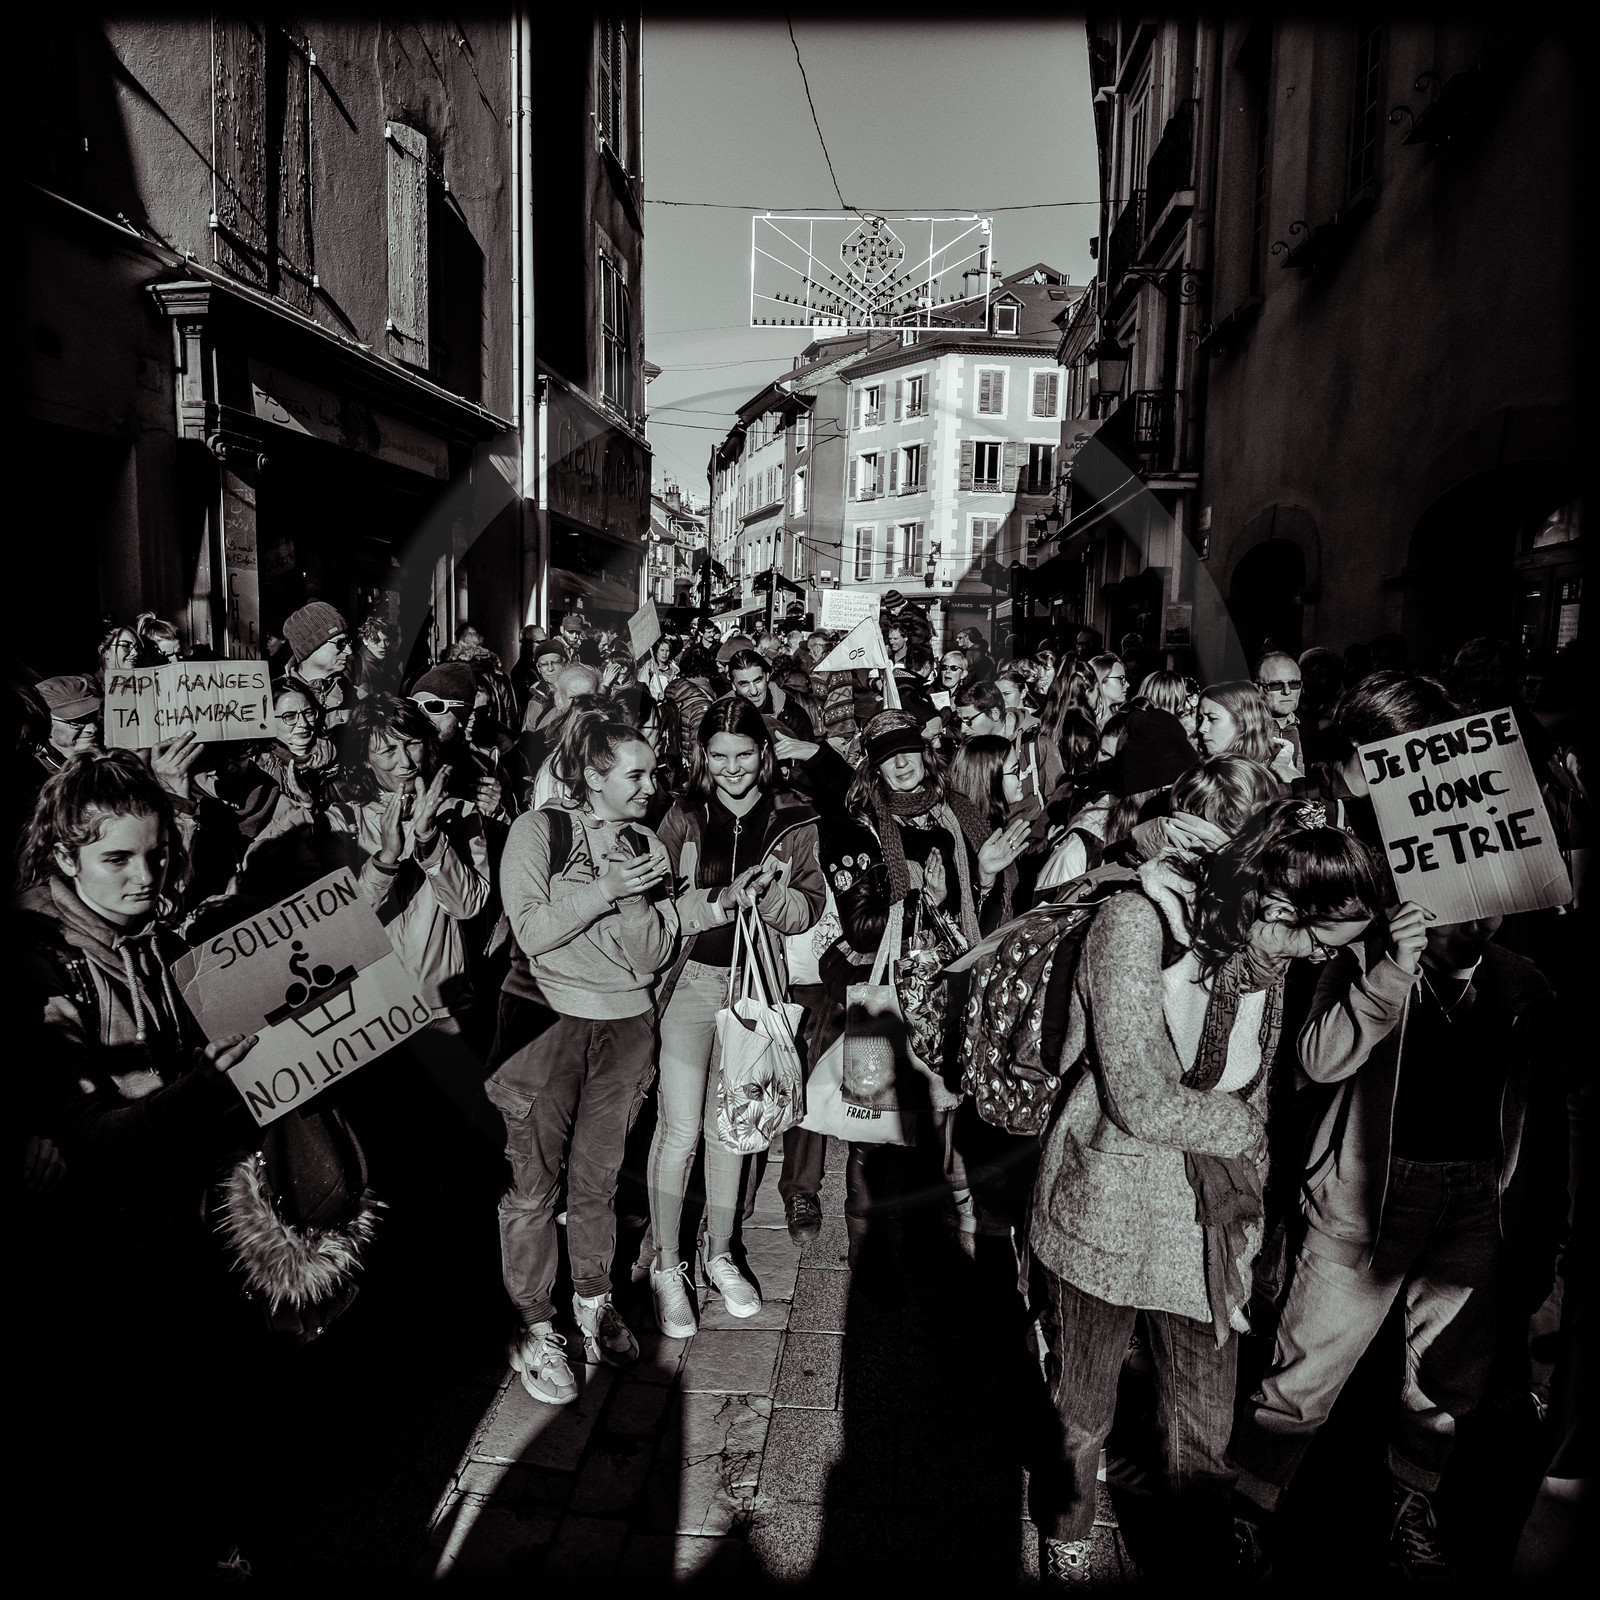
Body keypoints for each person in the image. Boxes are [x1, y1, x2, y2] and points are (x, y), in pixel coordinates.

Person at [1030, 799, 1387, 1585]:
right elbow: (1139, 1095)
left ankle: (1193, 1567)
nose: (1304, 961)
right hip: (1105, 1203)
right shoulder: (1135, 924)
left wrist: (1247, 1208)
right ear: (1276, 899)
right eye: (1309, 938)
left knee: (1203, 1433)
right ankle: (1067, 1532)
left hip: (1205, 1224)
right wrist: (1244, 1137)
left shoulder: (1265, 951)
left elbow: (1254, 1089)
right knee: (1082, 1407)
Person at [1230, 908, 1564, 1582]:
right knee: (1303, 1376)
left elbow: (1547, 1123)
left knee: (1443, 1385)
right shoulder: (1364, 962)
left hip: (1475, 1206)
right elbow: (1318, 1061)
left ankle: (1411, 1506)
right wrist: (1390, 969)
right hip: (1362, 1201)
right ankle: (1246, 1515)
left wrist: (1537, 1237)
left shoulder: (1524, 986)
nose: (1476, 914)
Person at [14, 751, 261, 1574]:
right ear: (63, 856)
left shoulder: (143, 937)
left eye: (154, 855)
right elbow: (87, 1137)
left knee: (189, 1427)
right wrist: (207, 1091)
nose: (144, 876)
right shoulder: (40, 964)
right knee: (113, 1459)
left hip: (175, 1234)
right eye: (116, 859)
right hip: (99, 1264)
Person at [488, 718, 677, 1404]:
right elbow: (532, 928)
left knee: (596, 1181)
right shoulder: (538, 832)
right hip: (545, 1027)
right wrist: (603, 889)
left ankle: (593, 1300)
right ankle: (536, 1325)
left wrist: (633, 895)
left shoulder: (646, 844)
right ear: (594, 775)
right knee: (534, 1187)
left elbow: (651, 956)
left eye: (653, 774)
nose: (652, 788)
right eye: (637, 775)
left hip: (625, 1027)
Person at [819, 710, 1031, 1278]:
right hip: (882, 994)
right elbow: (860, 928)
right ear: (873, 766)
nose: (903, 762)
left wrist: (984, 878)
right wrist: (912, 894)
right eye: (888, 755)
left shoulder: (959, 815)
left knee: (940, 1124)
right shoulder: (857, 828)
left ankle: (923, 1242)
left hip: (950, 994)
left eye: (909, 749)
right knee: (874, 1134)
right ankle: (870, 1260)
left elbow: (983, 926)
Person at [644, 698, 825, 1335]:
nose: (731, 769)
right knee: (681, 1129)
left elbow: (807, 908)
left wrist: (774, 895)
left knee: (731, 1127)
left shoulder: (794, 816)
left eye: (743, 754)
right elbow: (654, 900)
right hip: (691, 985)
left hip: (756, 983)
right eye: (717, 756)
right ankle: (669, 1264)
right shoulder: (683, 813)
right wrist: (716, 897)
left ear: (764, 752)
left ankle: (719, 1251)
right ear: (702, 756)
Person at [333, 695, 490, 1027]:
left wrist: (430, 838)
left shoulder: (459, 812)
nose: (405, 762)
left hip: (443, 1005)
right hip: (368, 1011)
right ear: (363, 759)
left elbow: (467, 905)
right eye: (388, 751)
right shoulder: (341, 820)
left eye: (412, 745)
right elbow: (341, 925)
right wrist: (385, 860)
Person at [1194, 680, 1298, 783]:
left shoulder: (1279, 776)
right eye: (1200, 719)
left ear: (1243, 722)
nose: (1202, 728)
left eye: (1212, 719)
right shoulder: (1199, 773)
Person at [280, 602, 357, 731]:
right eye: (340, 643)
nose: (349, 651)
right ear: (310, 647)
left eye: (348, 642)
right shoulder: (276, 697)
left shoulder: (356, 694)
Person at [1255, 651, 1305, 772]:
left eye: (1294, 684)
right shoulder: (1245, 732)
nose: (1287, 691)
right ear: (1257, 689)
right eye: (1276, 685)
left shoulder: (1311, 730)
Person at [350, 614, 402, 698]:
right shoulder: (356, 664)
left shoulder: (391, 661)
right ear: (365, 640)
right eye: (376, 641)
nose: (383, 646)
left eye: (386, 640)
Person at [1084, 652, 1129, 729]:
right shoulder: (1083, 722)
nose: (1127, 684)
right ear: (1101, 680)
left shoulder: (1124, 721)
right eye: (1121, 678)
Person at [96, 622, 140, 689]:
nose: (135, 653)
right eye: (126, 646)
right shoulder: (81, 685)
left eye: (136, 647)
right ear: (104, 651)